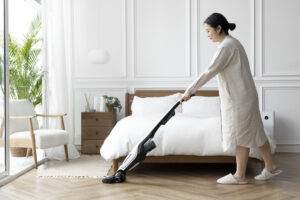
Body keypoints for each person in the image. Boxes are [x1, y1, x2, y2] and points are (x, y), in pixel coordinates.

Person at [180, 13, 282, 184]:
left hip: (240, 99)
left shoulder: (226, 47)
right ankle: (270, 166)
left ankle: (239, 176)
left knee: (241, 135)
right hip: (246, 96)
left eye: (208, 30)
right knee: (256, 132)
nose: (207, 35)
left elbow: (209, 72)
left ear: (219, 28)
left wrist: (189, 90)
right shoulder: (233, 43)